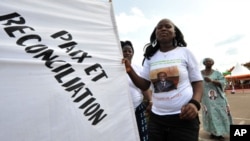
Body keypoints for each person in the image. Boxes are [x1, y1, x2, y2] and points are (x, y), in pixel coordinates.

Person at [122, 18, 203, 141]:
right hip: (157, 120)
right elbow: (144, 85)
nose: (163, 28)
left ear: (175, 32)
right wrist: (129, 70)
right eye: (159, 27)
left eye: (168, 26)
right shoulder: (150, 58)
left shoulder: (185, 53)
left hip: (183, 117)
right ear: (155, 34)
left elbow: (197, 82)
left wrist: (195, 104)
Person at [120, 40, 151, 141]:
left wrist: (150, 100)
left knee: (141, 135)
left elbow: (144, 87)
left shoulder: (139, 68)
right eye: (125, 51)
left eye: (130, 51)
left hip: (137, 107)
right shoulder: (114, 69)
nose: (128, 53)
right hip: (121, 110)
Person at [201, 58, 233, 140]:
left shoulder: (217, 73)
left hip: (218, 98)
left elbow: (224, 83)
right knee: (209, 115)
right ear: (204, 63)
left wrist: (212, 81)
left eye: (211, 61)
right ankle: (213, 132)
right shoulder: (199, 73)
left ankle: (220, 133)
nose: (209, 62)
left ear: (213, 63)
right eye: (207, 61)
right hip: (206, 99)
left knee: (220, 114)